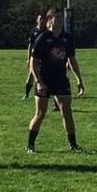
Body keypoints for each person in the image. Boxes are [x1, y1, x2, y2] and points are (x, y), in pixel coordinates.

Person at [26, 8, 87, 154]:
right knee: (40, 114)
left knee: (67, 113)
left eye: (61, 17)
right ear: (50, 20)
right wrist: (39, 81)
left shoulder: (67, 38)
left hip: (60, 80)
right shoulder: (43, 38)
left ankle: (73, 145)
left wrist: (79, 79)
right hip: (44, 80)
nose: (60, 20)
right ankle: (30, 145)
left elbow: (72, 60)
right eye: (56, 17)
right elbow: (33, 62)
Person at [23, 13, 46, 100]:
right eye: (40, 19)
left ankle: (44, 92)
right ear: (37, 20)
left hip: (44, 57)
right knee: (31, 75)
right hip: (35, 57)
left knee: (45, 75)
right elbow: (30, 45)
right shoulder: (33, 32)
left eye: (43, 19)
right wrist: (28, 58)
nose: (42, 21)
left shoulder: (47, 31)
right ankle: (26, 94)